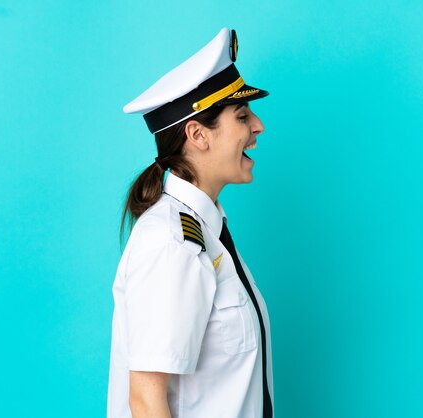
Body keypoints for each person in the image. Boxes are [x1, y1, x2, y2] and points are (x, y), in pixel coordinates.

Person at [107, 27, 274, 418]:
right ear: (197, 134)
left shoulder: (204, 233)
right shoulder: (172, 244)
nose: (258, 126)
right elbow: (146, 403)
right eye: (242, 116)